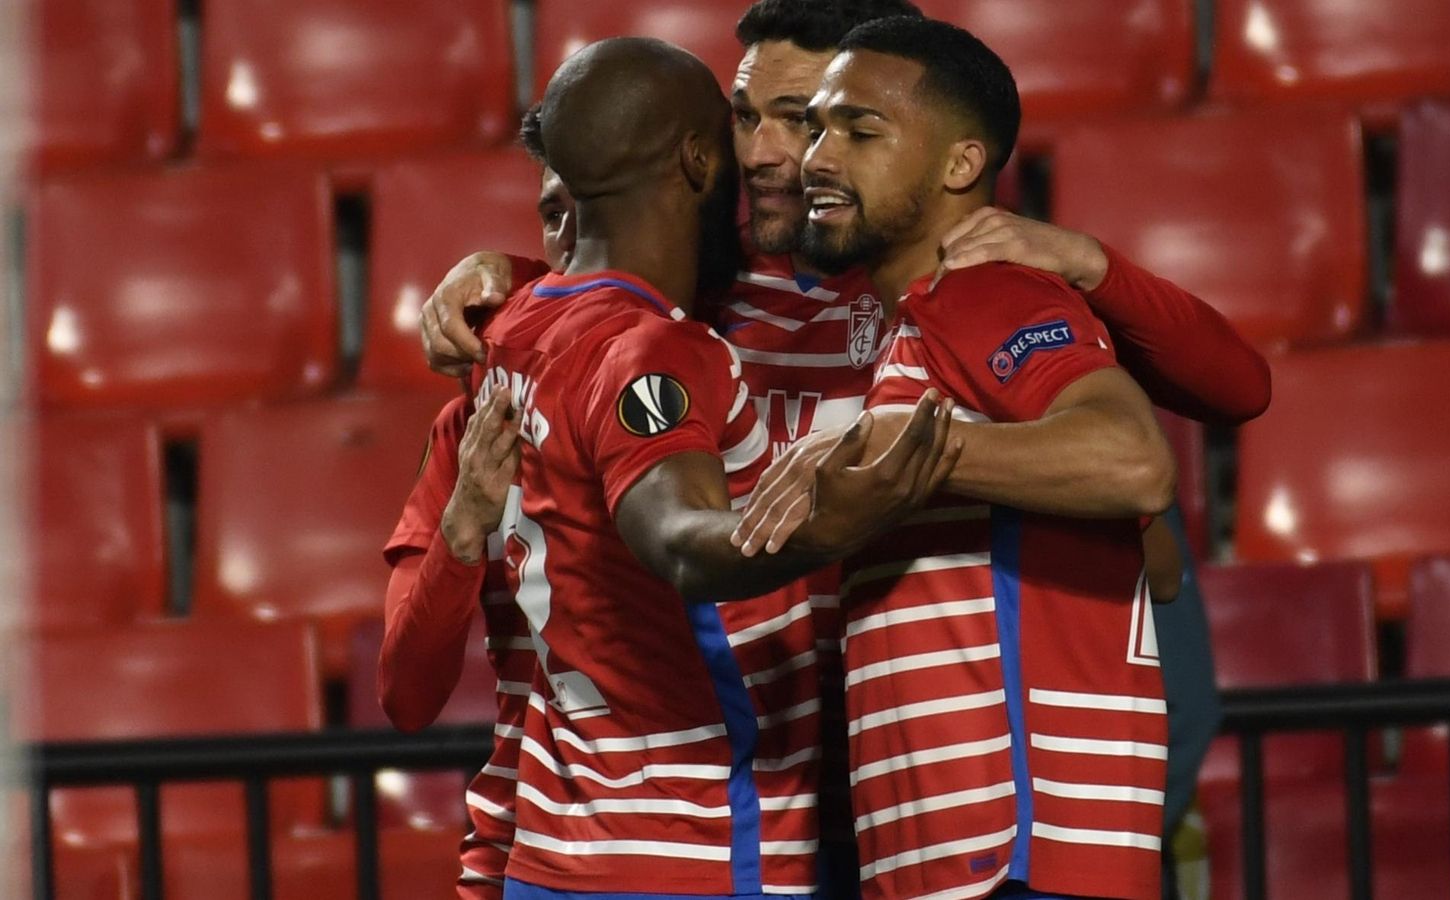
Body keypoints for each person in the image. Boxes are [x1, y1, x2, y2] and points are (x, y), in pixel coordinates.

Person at [416, 3, 1268, 893]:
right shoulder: (707, 295)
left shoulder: (954, 280)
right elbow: (593, 281)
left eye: (815, 121)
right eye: (749, 118)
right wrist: (504, 281)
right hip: (796, 782)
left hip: (968, 776)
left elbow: (1211, 428)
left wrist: (1093, 266)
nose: (775, 153)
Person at [461, 36, 958, 898]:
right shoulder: (662, 346)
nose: (758, 155)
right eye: (736, 125)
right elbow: (678, 538)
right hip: (693, 841)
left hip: (561, 844)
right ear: (697, 158)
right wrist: (840, 517)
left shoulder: (512, 333)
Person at [746, 15, 1185, 898]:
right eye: (817, 128)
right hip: (953, 854)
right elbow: (1157, 553)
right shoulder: (914, 330)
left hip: (1014, 850)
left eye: (857, 132)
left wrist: (899, 456)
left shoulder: (983, 292)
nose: (816, 160)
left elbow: (1134, 459)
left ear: (958, 165)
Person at [378, 115, 578, 897]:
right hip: (511, 855)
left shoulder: (714, 378)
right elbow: (407, 696)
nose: (574, 243)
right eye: (556, 214)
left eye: (598, 210)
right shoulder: (471, 424)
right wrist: (462, 534)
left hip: (697, 852)